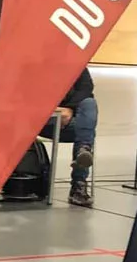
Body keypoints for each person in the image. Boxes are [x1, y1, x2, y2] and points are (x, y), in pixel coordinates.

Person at [39, 68, 98, 208]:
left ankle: (82, 152)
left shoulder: (77, 64)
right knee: (87, 132)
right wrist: (56, 110)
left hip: (68, 121)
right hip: (41, 121)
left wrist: (70, 109)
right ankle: (78, 185)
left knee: (89, 103)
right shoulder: (36, 64)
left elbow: (86, 89)